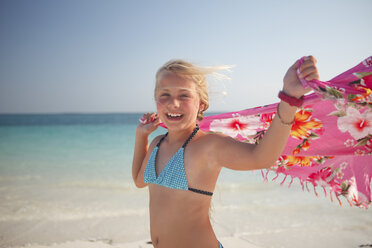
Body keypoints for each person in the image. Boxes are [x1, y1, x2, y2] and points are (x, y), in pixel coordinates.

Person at [132, 56, 319, 248]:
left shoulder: (208, 145)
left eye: (184, 95)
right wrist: (141, 136)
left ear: (201, 104)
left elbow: (260, 158)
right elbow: (139, 181)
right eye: (165, 95)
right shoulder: (157, 143)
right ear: (156, 100)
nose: (174, 103)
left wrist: (289, 99)